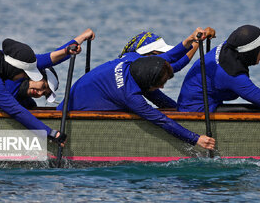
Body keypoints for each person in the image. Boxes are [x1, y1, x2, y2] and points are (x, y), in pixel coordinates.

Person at [57, 28, 216, 150]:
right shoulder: (130, 95)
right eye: (160, 84)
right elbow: (160, 120)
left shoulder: (132, 60)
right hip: (66, 118)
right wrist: (195, 139)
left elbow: (172, 60)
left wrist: (193, 40)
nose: (162, 87)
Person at [0, 28, 94, 146]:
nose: (26, 76)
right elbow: (16, 111)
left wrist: (78, 41)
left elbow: (49, 58)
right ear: (16, 69)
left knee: (30, 105)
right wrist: (51, 133)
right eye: (26, 74)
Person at [117, 29, 215, 108]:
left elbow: (178, 64)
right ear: (145, 55)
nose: (162, 62)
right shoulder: (130, 67)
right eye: (160, 55)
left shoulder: (144, 74)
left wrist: (199, 39)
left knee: (173, 108)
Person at [4, 28, 95, 108]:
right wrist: (82, 37)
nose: (39, 93)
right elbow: (50, 58)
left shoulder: (27, 101)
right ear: (37, 73)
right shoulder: (22, 66)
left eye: (44, 94)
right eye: (43, 86)